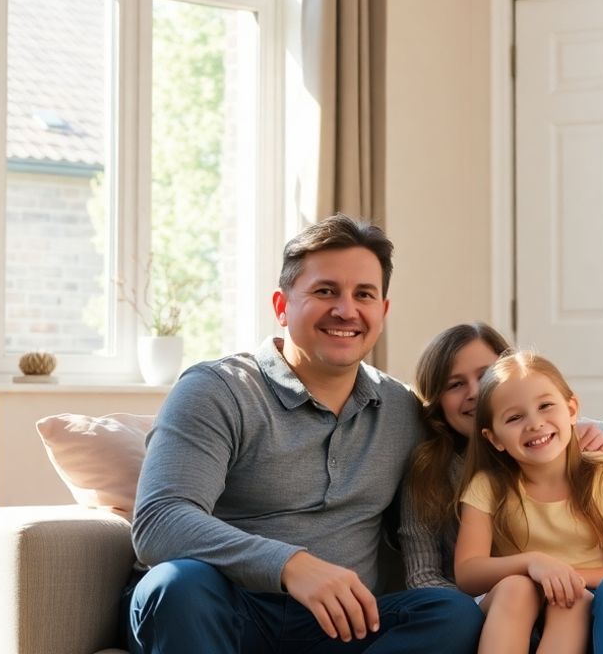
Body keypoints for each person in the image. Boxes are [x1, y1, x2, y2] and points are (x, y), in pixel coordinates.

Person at [127, 214, 483, 654]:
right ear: (281, 305)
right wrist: (290, 565)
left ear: (382, 312)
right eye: (325, 291)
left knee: (452, 613)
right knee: (176, 583)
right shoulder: (217, 391)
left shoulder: (400, 410)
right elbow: (160, 521)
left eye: (364, 294)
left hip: (343, 629)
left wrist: (562, 442)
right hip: (226, 612)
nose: (346, 310)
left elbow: (467, 454)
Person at [454, 350, 603, 654]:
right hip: (511, 610)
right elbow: (468, 573)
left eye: (545, 406)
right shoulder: (487, 486)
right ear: (494, 438)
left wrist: (565, 578)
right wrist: (533, 564)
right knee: (517, 587)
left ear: (571, 409)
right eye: (514, 417)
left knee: (571, 598)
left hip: (582, 605)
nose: (535, 424)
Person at [400, 322, 603, 590]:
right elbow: (422, 577)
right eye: (455, 384)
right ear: (437, 400)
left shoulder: (555, 444)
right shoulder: (428, 471)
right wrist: (481, 607)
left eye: (486, 375)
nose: (475, 392)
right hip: (465, 604)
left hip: (559, 595)